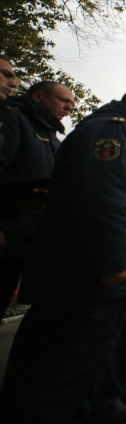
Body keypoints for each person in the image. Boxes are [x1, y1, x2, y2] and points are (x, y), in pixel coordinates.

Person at [0, 87, 126, 423]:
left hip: (108, 278)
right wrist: (114, 262)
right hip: (92, 278)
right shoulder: (113, 131)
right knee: (60, 371)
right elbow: (102, 199)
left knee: (83, 367)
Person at [0, 81, 73, 317]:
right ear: (39, 96)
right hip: (8, 232)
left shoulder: (50, 134)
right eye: (64, 100)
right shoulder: (13, 119)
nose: (69, 107)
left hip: (31, 237)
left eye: (72, 102)